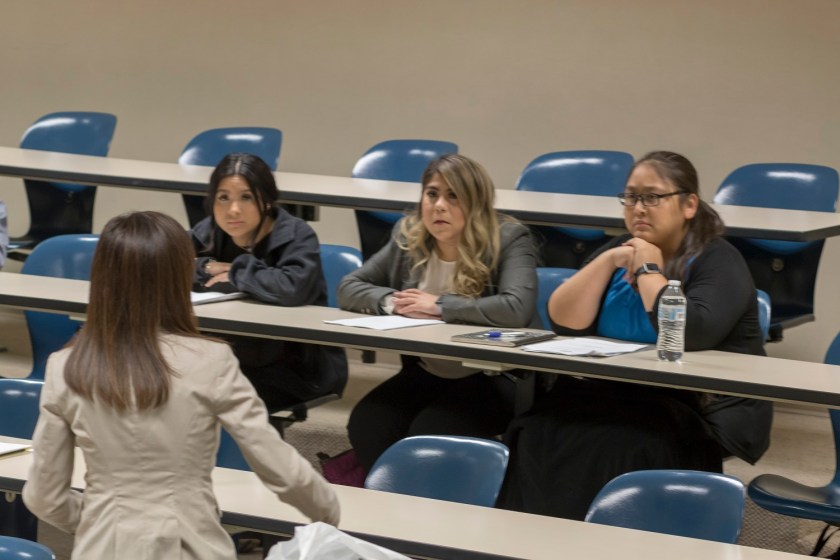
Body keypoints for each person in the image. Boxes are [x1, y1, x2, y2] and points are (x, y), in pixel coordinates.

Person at [22, 211, 339, 560]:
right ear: (177, 277)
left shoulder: (65, 367)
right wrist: (327, 514)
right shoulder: (211, 360)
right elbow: (279, 467)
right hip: (192, 545)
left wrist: (97, 520)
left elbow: (43, 496)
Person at [497, 150, 773, 520]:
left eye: (653, 197)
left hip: (691, 403)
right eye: (630, 197)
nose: (638, 208)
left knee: (622, 443)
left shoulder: (718, 260)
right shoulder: (618, 248)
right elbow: (565, 320)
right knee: (539, 429)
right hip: (618, 391)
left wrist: (646, 268)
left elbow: (690, 334)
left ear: (689, 204)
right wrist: (609, 260)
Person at [337, 153, 541, 471]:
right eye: (432, 194)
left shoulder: (510, 239)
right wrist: (395, 302)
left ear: (475, 203)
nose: (439, 206)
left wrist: (440, 305)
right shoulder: (409, 237)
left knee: (428, 433)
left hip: (495, 376)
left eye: (453, 196)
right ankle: (387, 505)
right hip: (428, 370)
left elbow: (515, 308)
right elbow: (349, 286)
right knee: (368, 422)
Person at [191, 153, 347, 412]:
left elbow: (290, 287)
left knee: (223, 398)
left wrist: (236, 271)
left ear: (266, 200)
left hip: (295, 366)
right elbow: (173, 266)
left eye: (246, 197)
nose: (233, 210)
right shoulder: (208, 231)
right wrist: (207, 266)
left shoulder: (296, 235)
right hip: (226, 355)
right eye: (223, 198)